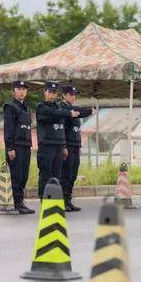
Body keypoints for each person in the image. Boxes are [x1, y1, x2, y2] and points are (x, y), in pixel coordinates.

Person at [36, 81, 80, 200]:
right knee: (46, 175)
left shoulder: (58, 107)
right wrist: (68, 113)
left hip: (58, 145)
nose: (52, 94)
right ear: (45, 92)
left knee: (57, 176)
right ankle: (44, 200)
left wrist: (64, 146)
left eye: (54, 92)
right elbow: (53, 113)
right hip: (46, 145)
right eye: (50, 91)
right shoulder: (41, 106)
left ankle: (55, 200)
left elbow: (61, 126)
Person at [60, 84, 95, 212]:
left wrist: (79, 145)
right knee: (66, 174)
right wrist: (63, 146)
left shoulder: (72, 109)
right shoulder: (63, 109)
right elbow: (63, 129)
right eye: (70, 94)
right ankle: (63, 200)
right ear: (64, 95)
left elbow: (77, 129)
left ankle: (68, 200)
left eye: (74, 94)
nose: (73, 96)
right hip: (67, 145)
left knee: (73, 174)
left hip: (75, 145)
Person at [3, 81, 35, 214]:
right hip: (15, 146)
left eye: (24, 89)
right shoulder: (10, 107)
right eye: (19, 89)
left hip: (26, 146)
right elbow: (8, 129)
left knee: (24, 176)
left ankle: (20, 201)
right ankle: (17, 203)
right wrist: (10, 148)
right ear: (13, 91)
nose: (22, 91)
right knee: (16, 176)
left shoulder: (26, 108)